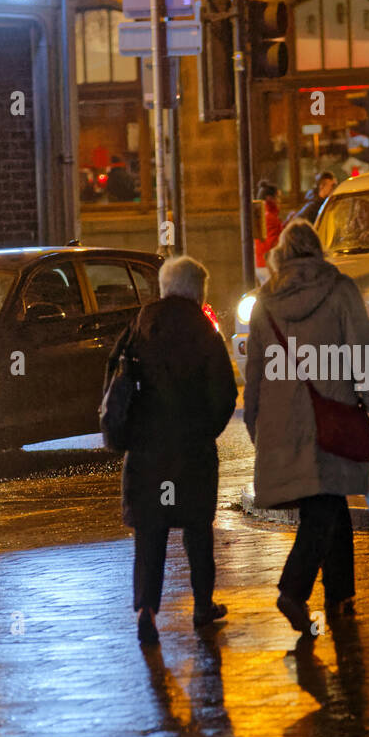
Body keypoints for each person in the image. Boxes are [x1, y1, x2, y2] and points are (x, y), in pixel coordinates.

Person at [243, 220, 369, 634]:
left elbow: (255, 371)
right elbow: (365, 359)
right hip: (332, 419)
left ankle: (340, 593)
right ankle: (293, 590)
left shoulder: (265, 302)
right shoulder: (340, 290)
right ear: (317, 251)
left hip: (283, 424)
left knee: (329, 504)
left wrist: (255, 421)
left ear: (281, 255)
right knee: (324, 508)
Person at [113, 255, 238, 645]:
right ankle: (202, 605)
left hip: (146, 452)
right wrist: (205, 430)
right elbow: (225, 394)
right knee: (197, 528)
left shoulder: (138, 327)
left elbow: (114, 383)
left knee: (150, 534)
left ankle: (147, 611)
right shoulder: (204, 332)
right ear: (196, 290)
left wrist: (131, 433)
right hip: (191, 450)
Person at [253, 180, 282, 284]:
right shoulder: (270, 217)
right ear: (270, 198)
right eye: (278, 197)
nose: (279, 201)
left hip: (260, 264)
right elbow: (273, 242)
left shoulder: (262, 215)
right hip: (268, 265)